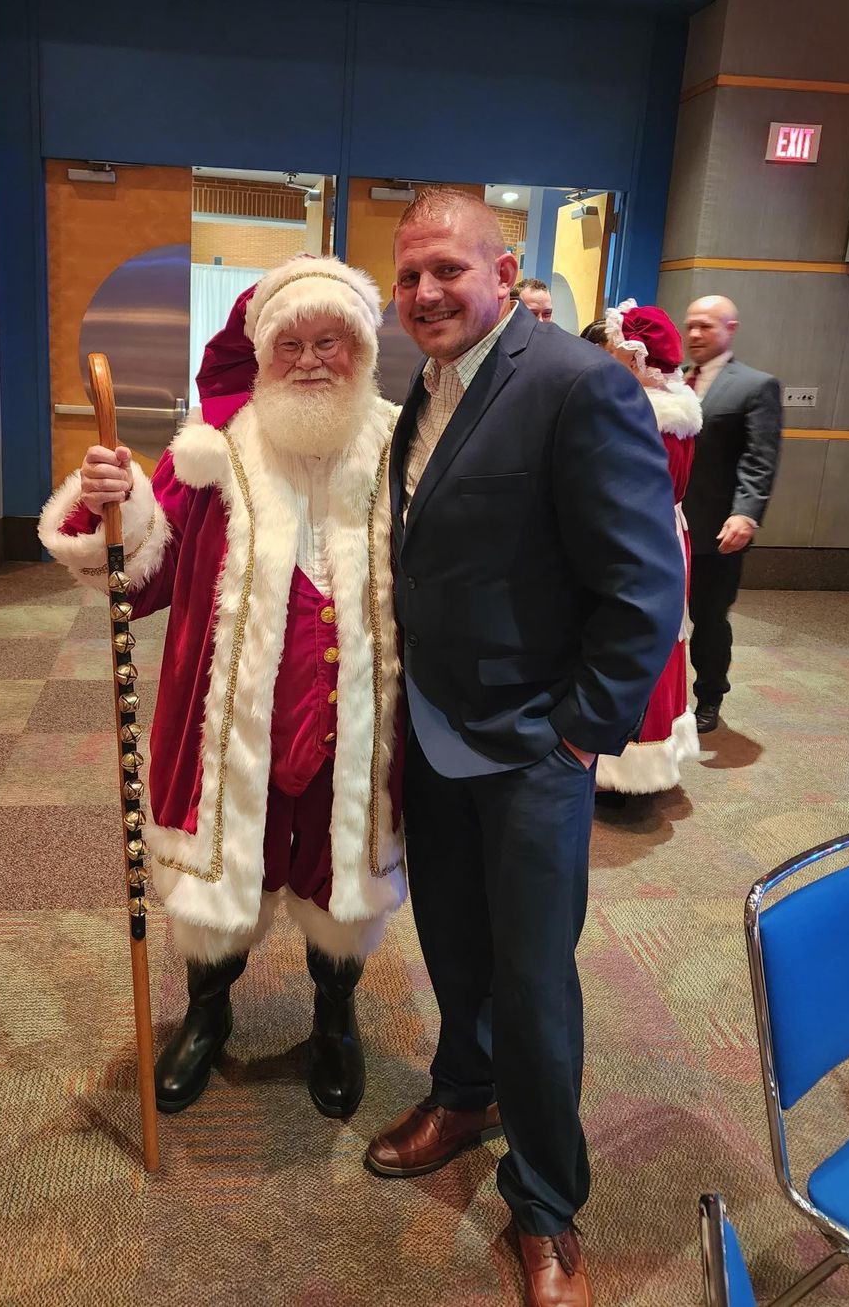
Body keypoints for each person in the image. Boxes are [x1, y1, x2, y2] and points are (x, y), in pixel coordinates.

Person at [364, 189, 684, 1307]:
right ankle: (465, 1092)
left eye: (447, 270)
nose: (425, 294)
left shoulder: (574, 381)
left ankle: (548, 1203)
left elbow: (645, 585)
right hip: (439, 729)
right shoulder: (432, 385)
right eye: (408, 277)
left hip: (534, 748)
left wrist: (577, 735)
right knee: (454, 943)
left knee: (536, 980)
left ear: (505, 269)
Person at [39, 255, 406, 1120]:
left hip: (359, 723)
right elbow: (142, 577)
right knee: (215, 878)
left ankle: (335, 1016)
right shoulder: (208, 455)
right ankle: (207, 1016)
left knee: (337, 871)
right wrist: (114, 499)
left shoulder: (403, 448)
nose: (311, 360)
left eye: (332, 341)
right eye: (291, 343)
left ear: (361, 352)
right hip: (224, 727)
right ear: (261, 352)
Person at [595, 303, 702, 795]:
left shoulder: (641, 414)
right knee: (656, 640)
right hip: (665, 533)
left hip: (636, 538)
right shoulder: (676, 404)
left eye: (616, 350)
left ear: (637, 358)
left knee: (629, 638)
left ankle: (628, 758)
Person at [682, 295, 782, 733]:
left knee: (708, 619)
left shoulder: (755, 385)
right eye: (690, 326)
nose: (695, 335)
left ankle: (709, 695)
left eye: (705, 326)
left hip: (716, 531)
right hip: (666, 528)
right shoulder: (674, 380)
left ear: (730, 328)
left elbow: (759, 459)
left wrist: (746, 514)